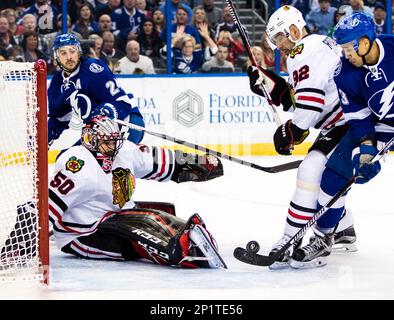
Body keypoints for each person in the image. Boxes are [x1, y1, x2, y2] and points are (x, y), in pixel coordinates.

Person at [247, 5, 357, 269]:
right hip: (344, 121)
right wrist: (273, 87)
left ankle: (292, 238)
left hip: (350, 123)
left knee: (311, 171)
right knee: (323, 178)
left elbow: (309, 107)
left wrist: (291, 132)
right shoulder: (318, 45)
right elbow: (304, 94)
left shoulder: (304, 50)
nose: (278, 47)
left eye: (279, 39)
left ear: (294, 30)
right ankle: (344, 227)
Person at [49, 115, 226, 269]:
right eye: (107, 143)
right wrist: (26, 237)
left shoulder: (124, 150)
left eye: (115, 141)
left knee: (155, 215)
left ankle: (189, 238)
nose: (113, 147)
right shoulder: (77, 165)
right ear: (91, 141)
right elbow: (49, 204)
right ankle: (178, 251)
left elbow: (157, 159)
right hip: (82, 235)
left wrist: (197, 162)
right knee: (139, 229)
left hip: (114, 216)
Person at [290, 13, 394, 268]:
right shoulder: (345, 73)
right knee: (334, 177)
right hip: (381, 126)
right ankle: (324, 237)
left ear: (366, 41)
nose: (345, 54)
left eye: (349, 48)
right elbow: (359, 120)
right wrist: (366, 152)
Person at [47, 33, 145, 148]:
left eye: (72, 51)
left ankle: (142, 158)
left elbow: (122, 101)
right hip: (98, 133)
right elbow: (59, 118)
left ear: (78, 52)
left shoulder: (93, 70)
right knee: (66, 160)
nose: (69, 57)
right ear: (56, 57)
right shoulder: (57, 83)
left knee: (74, 163)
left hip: (128, 124)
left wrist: (106, 110)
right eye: (63, 53)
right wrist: (46, 138)